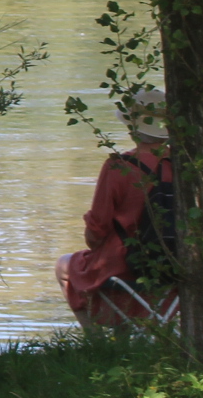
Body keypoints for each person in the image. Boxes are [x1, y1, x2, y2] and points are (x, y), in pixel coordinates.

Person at [58, 87, 180, 326]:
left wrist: (93, 242)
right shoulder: (182, 163)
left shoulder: (119, 167)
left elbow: (97, 228)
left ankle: (95, 343)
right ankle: (145, 333)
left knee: (64, 265)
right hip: (175, 266)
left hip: (124, 265)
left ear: (132, 127)